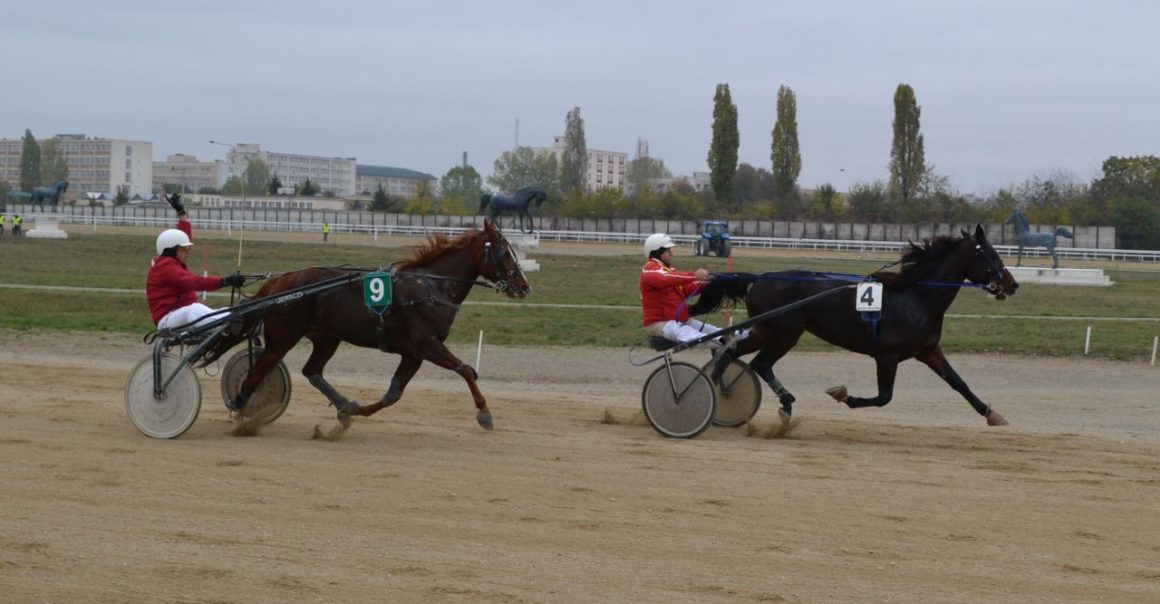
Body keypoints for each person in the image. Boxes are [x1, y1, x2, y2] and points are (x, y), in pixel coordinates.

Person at [147, 193, 245, 331]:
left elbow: (183, 237)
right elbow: (194, 282)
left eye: (187, 249)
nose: (188, 252)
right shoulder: (165, 267)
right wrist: (225, 281)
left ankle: (238, 317)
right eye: (184, 250)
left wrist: (181, 213)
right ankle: (230, 322)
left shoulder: (171, 261)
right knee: (193, 311)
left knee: (219, 311)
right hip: (167, 319)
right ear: (172, 250)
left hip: (179, 313)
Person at [639, 232, 724, 346]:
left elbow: (685, 289)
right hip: (659, 323)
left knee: (712, 330)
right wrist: (694, 275)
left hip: (679, 320)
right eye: (668, 250)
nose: (671, 254)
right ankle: (721, 341)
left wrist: (703, 284)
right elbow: (665, 279)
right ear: (658, 252)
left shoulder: (668, 270)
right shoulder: (649, 269)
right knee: (690, 333)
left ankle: (738, 336)